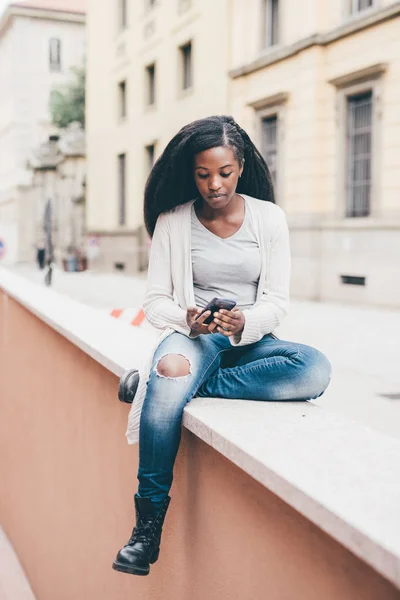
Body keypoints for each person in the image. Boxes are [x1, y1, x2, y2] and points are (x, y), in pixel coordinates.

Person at [112, 115, 331, 576]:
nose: (215, 185)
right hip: (193, 336)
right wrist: (187, 319)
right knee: (172, 367)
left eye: (225, 173)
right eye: (203, 174)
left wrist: (244, 321)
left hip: (247, 337)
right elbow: (155, 301)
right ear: (191, 172)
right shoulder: (174, 221)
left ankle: (161, 392)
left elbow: (277, 302)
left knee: (313, 368)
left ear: (242, 165)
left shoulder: (269, 218)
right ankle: (146, 529)